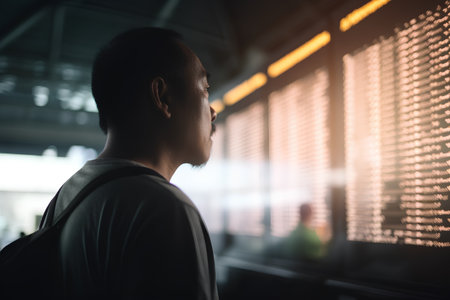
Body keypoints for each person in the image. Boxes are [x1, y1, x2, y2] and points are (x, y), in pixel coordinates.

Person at [45, 27, 218, 299]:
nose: (213, 111)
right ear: (162, 97)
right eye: (205, 89)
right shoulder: (166, 209)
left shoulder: (65, 199)